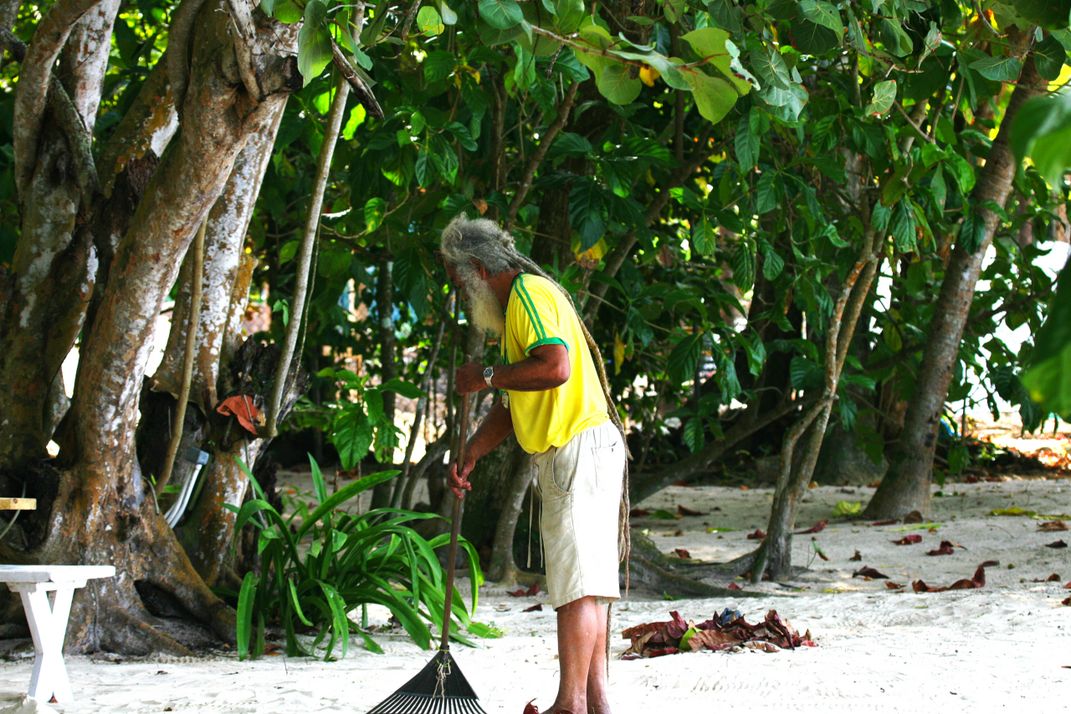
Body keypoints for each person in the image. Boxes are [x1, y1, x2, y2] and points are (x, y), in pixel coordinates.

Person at [440, 215, 627, 714]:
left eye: (459, 280)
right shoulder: (523, 305)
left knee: (576, 589)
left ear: (478, 268)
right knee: (588, 586)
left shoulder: (526, 295)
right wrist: (473, 450)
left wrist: (483, 373)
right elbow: (515, 397)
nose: (461, 292)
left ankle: (569, 704)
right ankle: (596, 702)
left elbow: (554, 368)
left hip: (576, 450)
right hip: (586, 449)